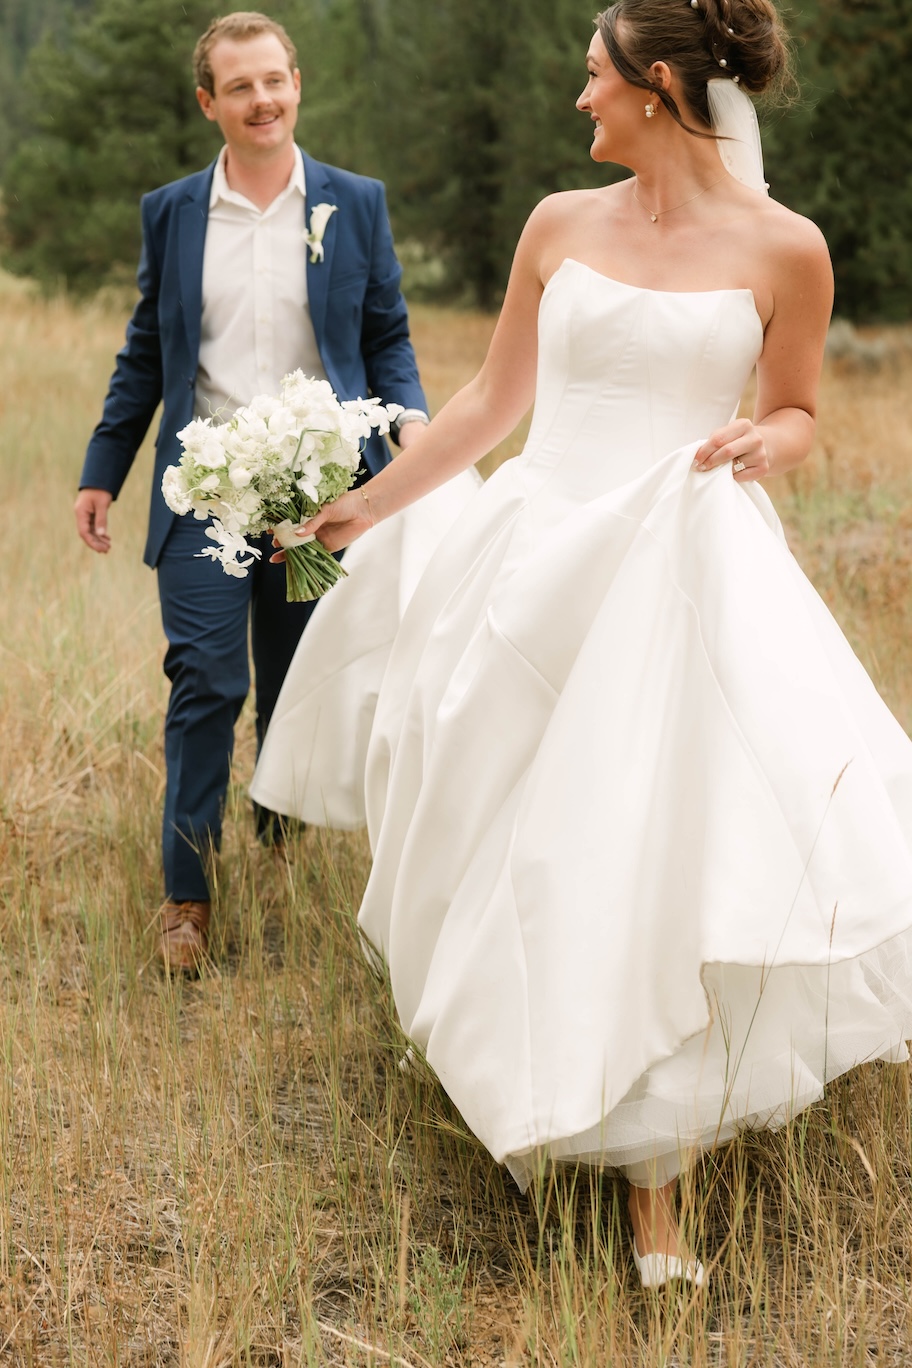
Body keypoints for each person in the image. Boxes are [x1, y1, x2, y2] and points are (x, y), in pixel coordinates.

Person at [253, 0, 912, 1288]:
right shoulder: (560, 225)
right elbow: (499, 401)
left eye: (594, 77)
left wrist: (756, 446)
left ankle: (651, 1191)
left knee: (643, 845)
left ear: (658, 84)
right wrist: (368, 506)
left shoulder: (788, 248)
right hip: (537, 549)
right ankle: (507, 1045)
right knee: (501, 814)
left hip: (679, 558)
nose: (579, 100)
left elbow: (796, 414)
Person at [74, 12, 430, 971]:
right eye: (240, 86)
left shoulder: (353, 203)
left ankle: (279, 857)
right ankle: (187, 896)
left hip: (322, 495)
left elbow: (387, 333)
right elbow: (148, 351)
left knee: (295, 681)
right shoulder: (174, 212)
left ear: (297, 84)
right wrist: (104, 468)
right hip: (208, 491)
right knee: (206, 679)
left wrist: (410, 420)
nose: (262, 99)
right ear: (210, 104)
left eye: (274, 80)